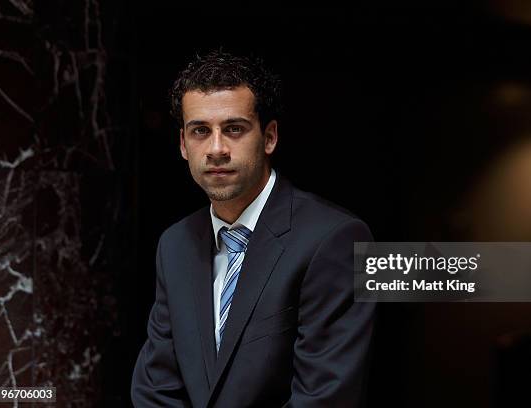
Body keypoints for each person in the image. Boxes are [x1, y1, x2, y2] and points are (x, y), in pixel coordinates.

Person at [131, 50, 376, 407]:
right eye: (200, 131)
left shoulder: (336, 240)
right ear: (183, 144)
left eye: (234, 129)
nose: (216, 149)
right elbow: (156, 390)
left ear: (270, 137)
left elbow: (325, 400)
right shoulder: (175, 245)